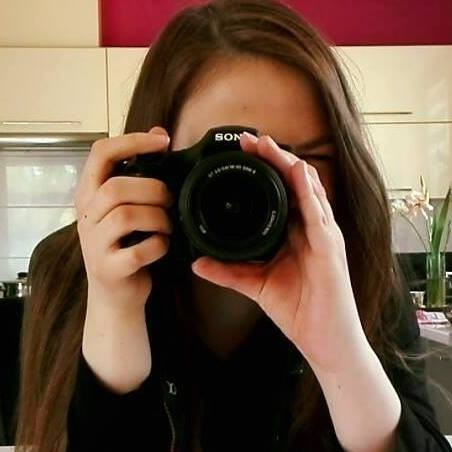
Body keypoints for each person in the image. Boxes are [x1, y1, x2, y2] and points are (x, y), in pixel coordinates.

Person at [13, 1, 452, 451]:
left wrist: (342, 356)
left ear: (343, 166)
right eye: (227, 159)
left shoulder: (364, 274)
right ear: (157, 161)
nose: (260, 187)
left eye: (303, 159)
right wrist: (114, 317)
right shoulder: (75, 271)